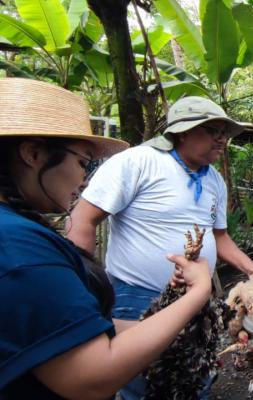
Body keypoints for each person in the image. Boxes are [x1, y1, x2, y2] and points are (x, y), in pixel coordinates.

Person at [0, 78, 213, 399]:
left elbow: (76, 330)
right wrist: (199, 291)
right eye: (83, 162)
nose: (85, 178)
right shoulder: (18, 244)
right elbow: (92, 375)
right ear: (32, 153)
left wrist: (172, 311)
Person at [67, 96, 253, 399]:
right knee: (142, 384)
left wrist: (249, 265)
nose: (222, 139)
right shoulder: (139, 161)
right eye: (213, 130)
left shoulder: (214, 179)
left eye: (225, 133)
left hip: (196, 300)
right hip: (138, 296)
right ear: (184, 131)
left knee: (192, 376)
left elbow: (220, 237)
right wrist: (86, 291)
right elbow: (82, 220)